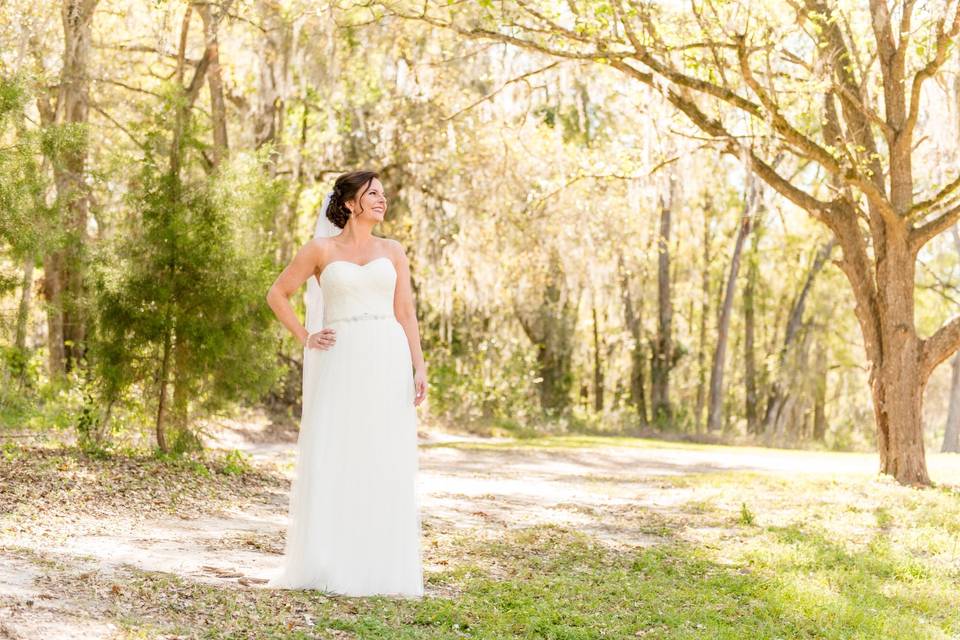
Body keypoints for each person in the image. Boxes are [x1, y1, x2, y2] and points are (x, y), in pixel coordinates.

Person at [263, 169, 426, 598]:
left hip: (387, 354)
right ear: (351, 202)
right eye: (373, 194)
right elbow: (277, 294)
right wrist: (306, 337)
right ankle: (331, 559)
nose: (382, 200)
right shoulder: (320, 249)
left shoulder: (393, 251)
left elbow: (406, 312)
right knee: (337, 450)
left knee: (383, 453)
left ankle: (380, 565)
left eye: (383, 194)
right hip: (340, 356)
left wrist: (419, 366)